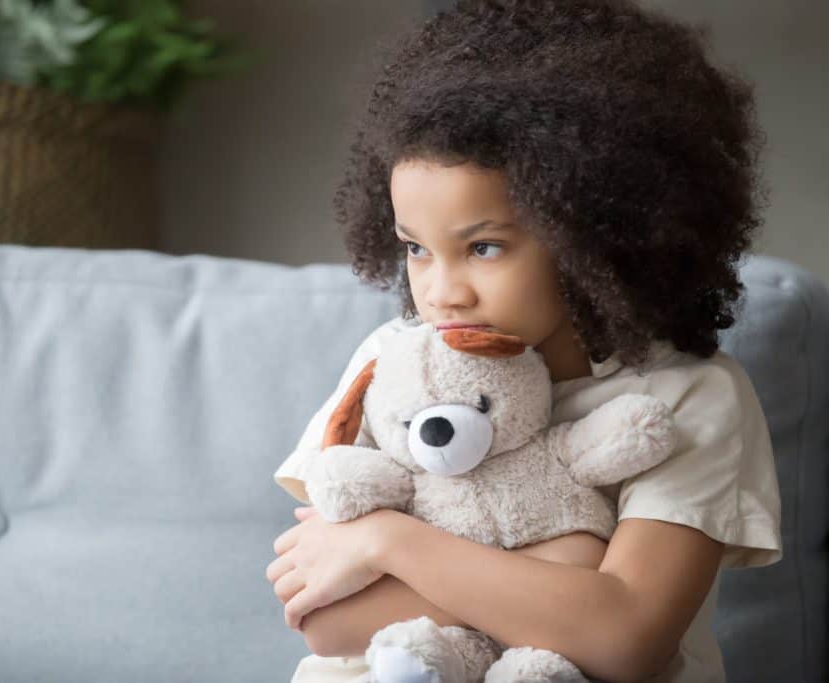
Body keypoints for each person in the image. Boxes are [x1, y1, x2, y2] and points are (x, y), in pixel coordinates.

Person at [265, 0, 783, 681]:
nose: (442, 292)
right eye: (416, 249)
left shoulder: (687, 397)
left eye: (483, 247)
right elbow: (325, 621)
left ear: (594, 234)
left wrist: (386, 541)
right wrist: (566, 584)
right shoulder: (393, 362)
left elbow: (624, 639)